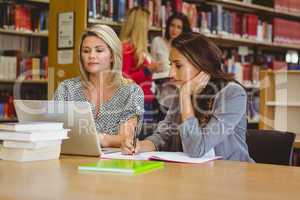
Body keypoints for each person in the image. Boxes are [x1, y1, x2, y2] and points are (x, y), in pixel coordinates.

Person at [122, 32, 254, 162]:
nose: (171, 73)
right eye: (171, 65)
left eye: (178, 66)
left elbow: (196, 149)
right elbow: (164, 135)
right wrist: (140, 146)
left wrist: (185, 96)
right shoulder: (183, 89)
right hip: (195, 174)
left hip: (230, 176)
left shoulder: (233, 94)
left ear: (201, 64)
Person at [54, 25, 144, 148]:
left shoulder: (131, 91)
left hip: (113, 164)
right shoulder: (66, 88)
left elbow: (126, 138)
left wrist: (100, 139)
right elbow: (53, 132)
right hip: (70, 160)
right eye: (86, 51)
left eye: (99, 50)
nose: (91, 55)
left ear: (112, 55)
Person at [120, 7, 161, 138]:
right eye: (148, 23)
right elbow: (123, 78)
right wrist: (147, 70)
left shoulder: (140, 48)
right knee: (139, 138)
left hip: (148, 99)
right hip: (137, 102)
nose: (149, 26)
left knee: (146, 137)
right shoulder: (126, 48)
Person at [151, 12, 192, 118]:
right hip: (163, 99)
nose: (174, 30)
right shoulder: (157, 42)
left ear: (184, 30)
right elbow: (152, 71)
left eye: (179, 27)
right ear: (168, 26)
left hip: (181, 99)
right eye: (172, 25)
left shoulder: (186, 48)